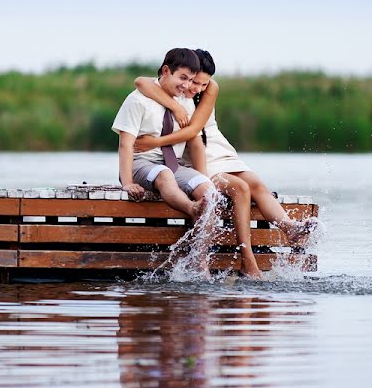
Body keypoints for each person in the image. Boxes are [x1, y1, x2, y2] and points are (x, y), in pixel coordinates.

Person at [133, 49, 317, 247]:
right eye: (195, 82)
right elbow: (141, 81)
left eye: (203, 83)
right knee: (240, 187)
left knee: (256, 183)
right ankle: (245, 256)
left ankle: (289, 226)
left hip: (216, 146)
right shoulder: (175, 88)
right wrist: (175, 106)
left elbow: (194, 128)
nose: (198, 88)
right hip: (197, 154)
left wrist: (156, 141)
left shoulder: (209, 88)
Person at [112, 48, 263, 279]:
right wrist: (127, 182)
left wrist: (202, 179)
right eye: (183, 78)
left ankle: (199, 262)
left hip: (173, 166)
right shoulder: (137, 101)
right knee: (165, 175)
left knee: (209, 193)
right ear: (166, 71)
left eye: (191, 80)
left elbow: (193, 140)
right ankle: (192, 208)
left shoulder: (185, 102)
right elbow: (125, 145)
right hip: (143, 164)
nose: (187, 85)